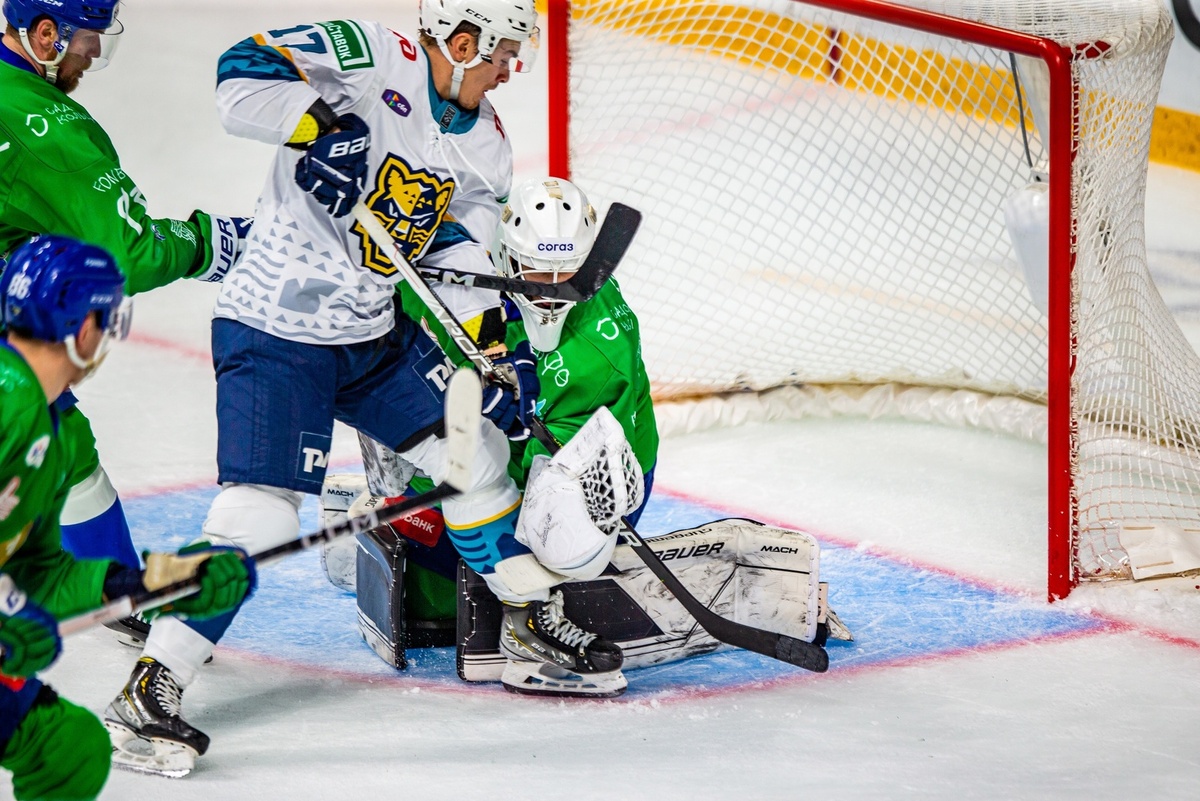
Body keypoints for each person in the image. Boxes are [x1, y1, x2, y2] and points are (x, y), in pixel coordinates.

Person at [104, 0, 630, 772]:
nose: (509, 69)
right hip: (277, 322)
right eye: (501, 53)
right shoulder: (369, 55)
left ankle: (524, 617)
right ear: (462, 40)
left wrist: (497, 353)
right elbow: (239, 72)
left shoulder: (486, 143)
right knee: (260, 513)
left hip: (371, 333)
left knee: (477, 455)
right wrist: (317, 124)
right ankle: (152, 685)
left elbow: (460, 253)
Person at [0, 0, 252, 644]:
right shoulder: (46, 129)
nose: (93, 52)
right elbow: (129, 251)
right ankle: (120, 595)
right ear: (46, 34)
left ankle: (115, 590)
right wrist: (213, 243)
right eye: (87, 37)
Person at [355, 177, 657, 695]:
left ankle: (528, 627)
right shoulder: (452, 269)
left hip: (588, 475)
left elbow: (547, 475)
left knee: (556, 539)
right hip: (494, 448)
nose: (551, 289)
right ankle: (395, 519)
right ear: (505, 254)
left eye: (569, 273)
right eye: (537, 271)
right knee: (408, 431)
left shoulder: (596, 352)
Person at [0, 235, 255, 801]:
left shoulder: (57, 433)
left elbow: (40, 573)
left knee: (67, 751)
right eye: (107, 318)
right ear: (82, 328)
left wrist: (142, 584)